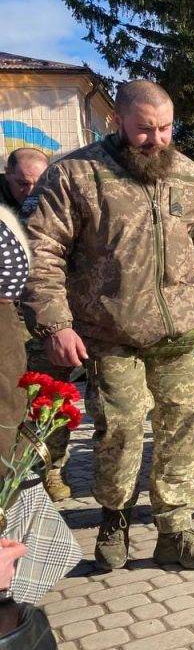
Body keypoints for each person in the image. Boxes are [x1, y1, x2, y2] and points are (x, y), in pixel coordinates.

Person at [22, 80, 194, 570]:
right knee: (121, 430)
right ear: (118, 121)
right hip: (111, 334)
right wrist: (56, 325)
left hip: (178, 336)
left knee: (180, 427)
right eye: (143, 129)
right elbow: (40, 254)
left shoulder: (191, 177)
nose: (156, 139)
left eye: (165, 128)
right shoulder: (75, 175)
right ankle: (115, 519)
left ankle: (175, 528)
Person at [0, 150, 73, 503]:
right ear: (7, 174)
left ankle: (52, 469)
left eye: (37, 183)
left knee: (51, 401)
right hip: (5, 323)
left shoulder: (58, 203)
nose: (29, 191)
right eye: (21, 183)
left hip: (44, 322)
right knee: (8, 403)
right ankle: (11, 474)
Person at [0, 149, 48, 214]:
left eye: (39, 184)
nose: (30, 192)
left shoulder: (53, 192)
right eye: (23, 183)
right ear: (7, 173)